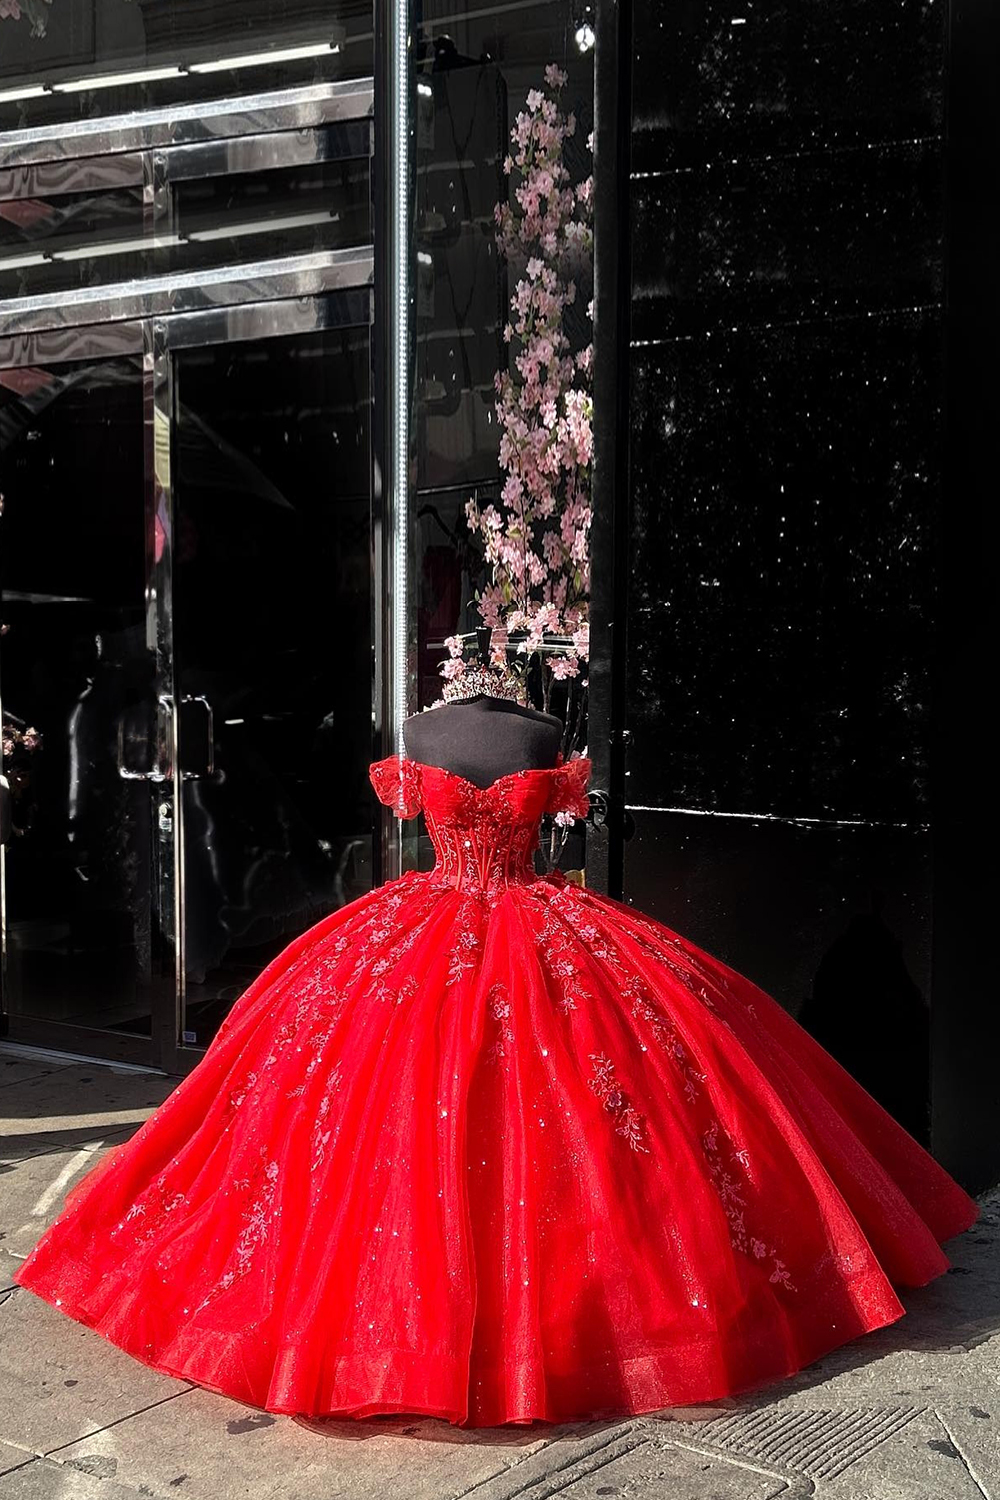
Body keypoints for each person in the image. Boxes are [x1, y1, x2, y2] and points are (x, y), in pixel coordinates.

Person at [13, 642, 980, 1428]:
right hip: (429, 928)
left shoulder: (536, 734)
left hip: (528, 923)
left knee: (589, 1116)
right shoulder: (430, 732)